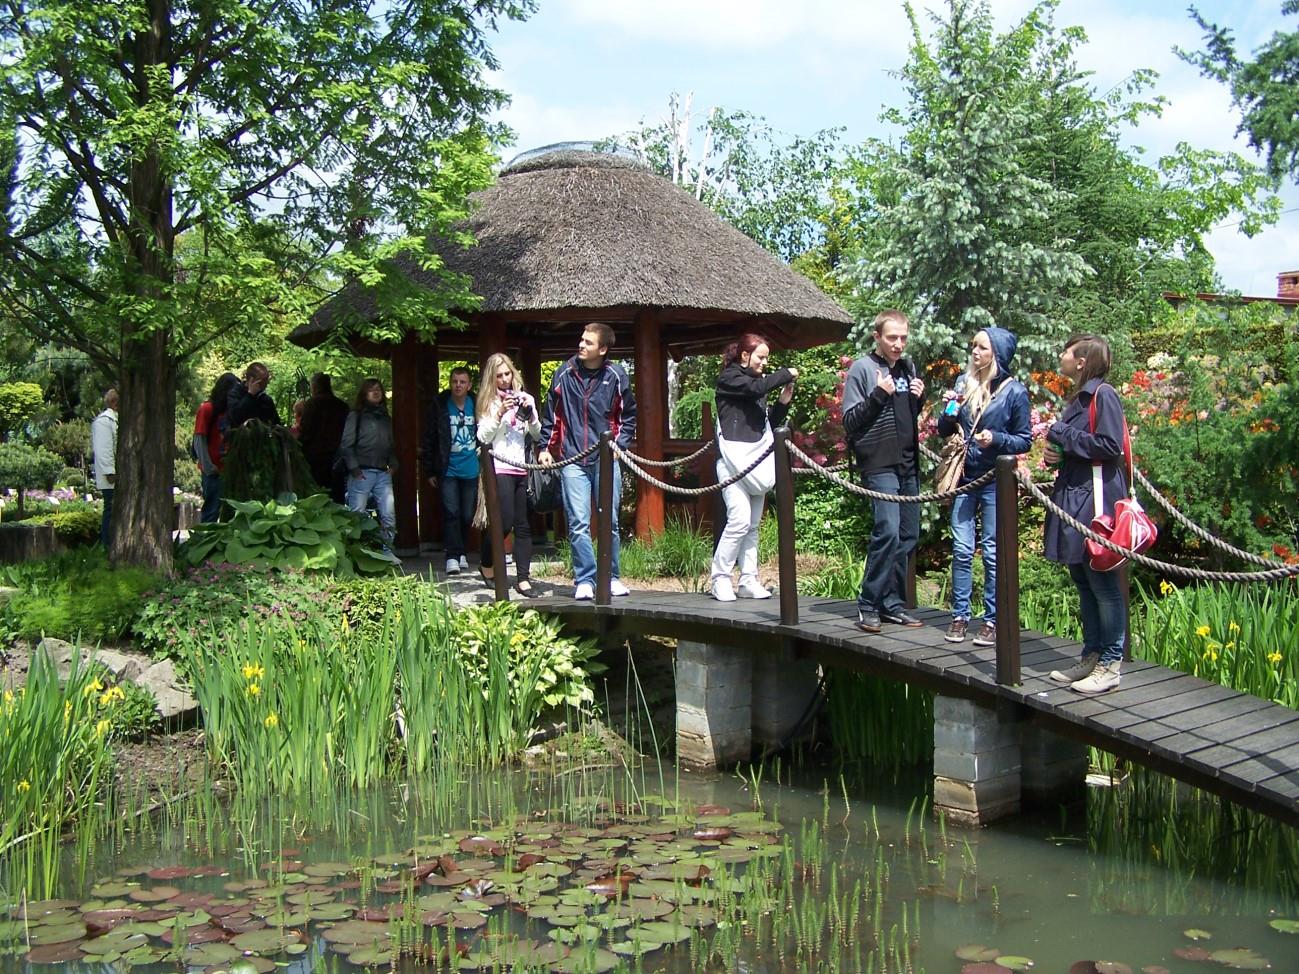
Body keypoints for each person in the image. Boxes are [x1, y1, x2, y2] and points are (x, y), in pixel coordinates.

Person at [1043, 334, 1129, 694]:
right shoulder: (1079, 398)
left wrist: (1061, 433)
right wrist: (1058, 455)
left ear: (1081, 361)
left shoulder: (1102, 395)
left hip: (1095, 503)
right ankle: (1091, 655)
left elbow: (1109, 445)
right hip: (1074, 496)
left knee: (1103, 585)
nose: (1060, 356)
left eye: (1066, 352)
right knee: (1082, 579)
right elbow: (1082, 446)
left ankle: (1110, 663)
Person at [937, 328, 1032, 646]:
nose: (974, 351)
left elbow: (1024, 439)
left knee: (992, 553)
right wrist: (950, 408)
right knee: (962, 550)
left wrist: (997, 439)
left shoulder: (1014, 392)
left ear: (998, 354)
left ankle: (991, 621)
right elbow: (943, 429)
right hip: (965, 477)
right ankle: (960, 616)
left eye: (982, 347)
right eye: (973, 346)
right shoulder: (964, 383)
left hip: (995, 481)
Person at [538, 322, 637, 601]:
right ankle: (585, 578)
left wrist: (621, 444)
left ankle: (612, 576)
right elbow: (551, 415)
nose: (581, 345)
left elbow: (628, 416)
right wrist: (545, 448)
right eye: (581, 340)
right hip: (572, 458)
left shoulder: (617, 376)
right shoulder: (563, 374)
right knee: (578, 522)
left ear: (603, 349)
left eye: (588, 342)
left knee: (610, 521)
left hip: (606, 459)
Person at [841, 310, 925, 634]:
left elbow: (907, 415)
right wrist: (879, 395)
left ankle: (891, 603)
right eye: (892, 338)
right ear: (877, 337)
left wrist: (919, 398)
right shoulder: (863, 369)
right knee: (887, 530)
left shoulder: (907, 367)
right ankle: (868, 602)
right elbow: (850, 421)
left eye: (903, 337)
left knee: (908, 535)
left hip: (908, 463)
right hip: (879, 462)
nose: (899, 344)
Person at [709, 334, 798, 602]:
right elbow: (754, 390)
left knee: (753, 526)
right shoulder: (730, 378)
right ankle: (720, 578)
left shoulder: (757, 383)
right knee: (739, 520)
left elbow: (766, 423)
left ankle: (748, 579)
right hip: (731, 463)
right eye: (761, 357)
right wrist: (786, 373)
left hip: (755, 460)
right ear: (745, 356)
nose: (764, 362)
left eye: (767, 358)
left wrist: (783, 403)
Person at [476, 354, 541, 597]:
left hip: (521, 467)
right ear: (492, 379)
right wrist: (499, 414)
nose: (504, 380)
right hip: (499, 467)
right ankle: (486, 562)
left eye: (507, 374)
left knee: (523, 525)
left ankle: (523, 579)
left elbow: (536, 433)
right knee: (503, 521)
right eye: (499, 376)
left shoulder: (525, 397)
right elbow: (483, 437)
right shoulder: (489, 402)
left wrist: (531, 412)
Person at [421, 366, 479, 576]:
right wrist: (429, 470)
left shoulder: (477, 404)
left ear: (469, 385)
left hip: (471, 468)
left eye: (462, 382)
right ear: (450, 382)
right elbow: (429, 438)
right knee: (451, 513)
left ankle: (461, 550)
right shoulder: (440, 405)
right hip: (448, 468)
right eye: (455, 381)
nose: (458, 385)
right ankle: (452, 556)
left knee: (466, 515)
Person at [340, 378, 398, 551]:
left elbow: (390, 444)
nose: (375, 392)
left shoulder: (385, 417)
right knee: (356, 515)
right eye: (371, 389)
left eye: (378, 389)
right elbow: (346, 444)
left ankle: (387, 553)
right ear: (364, 393)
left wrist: (393, 465)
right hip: (362, 472)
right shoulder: (355, 415)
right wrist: (355, 470)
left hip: (382, 472)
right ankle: (356, 552)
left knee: (388, 515)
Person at [192, 372, 239, 524]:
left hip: (228, 470)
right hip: (213, 472)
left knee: (229, 514)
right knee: (211, 512)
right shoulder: (207, 409)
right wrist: (209, 467)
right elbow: (199, 439)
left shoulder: (231, 412)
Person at [298, 373, 350, 502]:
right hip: (338, 457)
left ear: (314, 387)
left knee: (316, 497)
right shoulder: (342, 406)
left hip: (315, 458)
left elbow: (306, 431)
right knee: (336, 497)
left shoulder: (312, 404)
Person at [90, 387, 118, 548]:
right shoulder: (104, 422)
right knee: (111, 510)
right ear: (114, 403)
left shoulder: (114, 420)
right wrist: (110, 472)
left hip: (115, 474)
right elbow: (103, 449)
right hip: (111, 477)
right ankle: (107, 546)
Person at [226, 362, 282, 428]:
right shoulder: (235, 393)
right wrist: (250, 395)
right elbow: (235, 418)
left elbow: (276, 424)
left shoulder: (266, 400)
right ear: (251, 380)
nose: (265, 384)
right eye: (261, 381)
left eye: (266, 381)